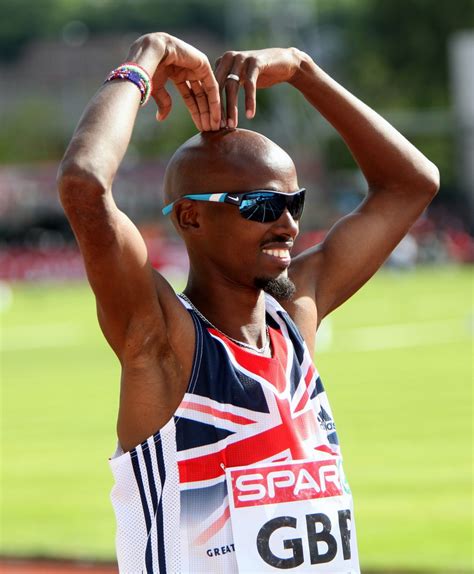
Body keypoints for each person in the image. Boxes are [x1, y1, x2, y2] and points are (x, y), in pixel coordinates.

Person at [58, 32, 439, 574]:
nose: (286, 223)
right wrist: (146, 61)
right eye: (261, 204)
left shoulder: (294, 320)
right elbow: (83, 185)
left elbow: (413, 183)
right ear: (191, 217)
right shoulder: (164, 343)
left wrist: (303, 70)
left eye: (293, 202)